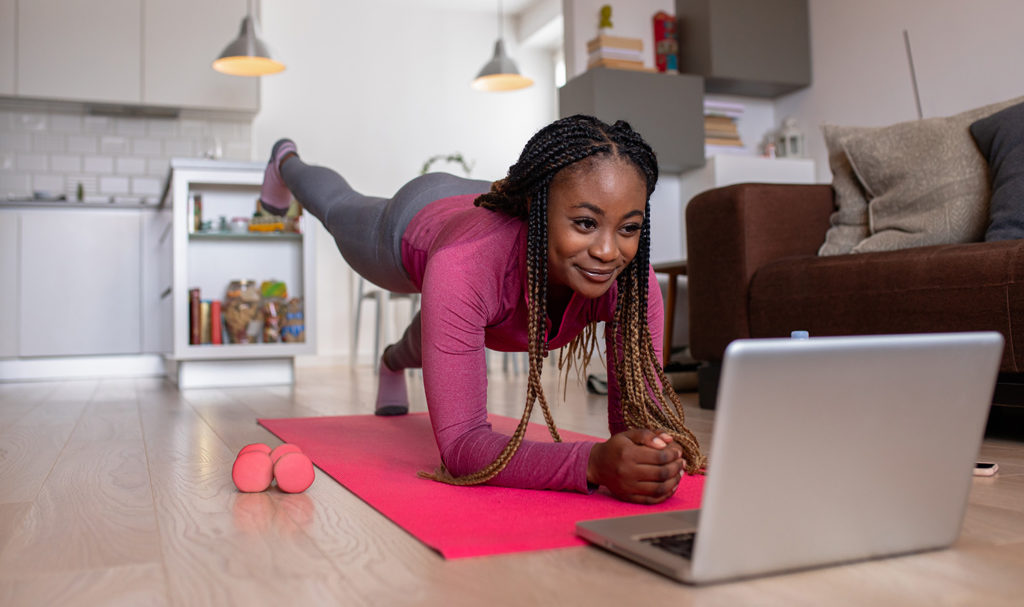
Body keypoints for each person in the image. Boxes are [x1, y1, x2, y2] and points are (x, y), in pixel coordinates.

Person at [259, 115, 706, 504]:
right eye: (586, 223)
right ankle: (284, 161)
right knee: (339, 210)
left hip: (475, 259)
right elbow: (461, 449)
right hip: (416, 221)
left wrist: (651, 451)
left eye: (628, 227)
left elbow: (638, 422)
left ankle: (391, 361)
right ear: (537, 206)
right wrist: (591, 463)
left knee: (450, 319)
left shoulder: (634, 284)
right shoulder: (464, 266)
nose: (609, 251)